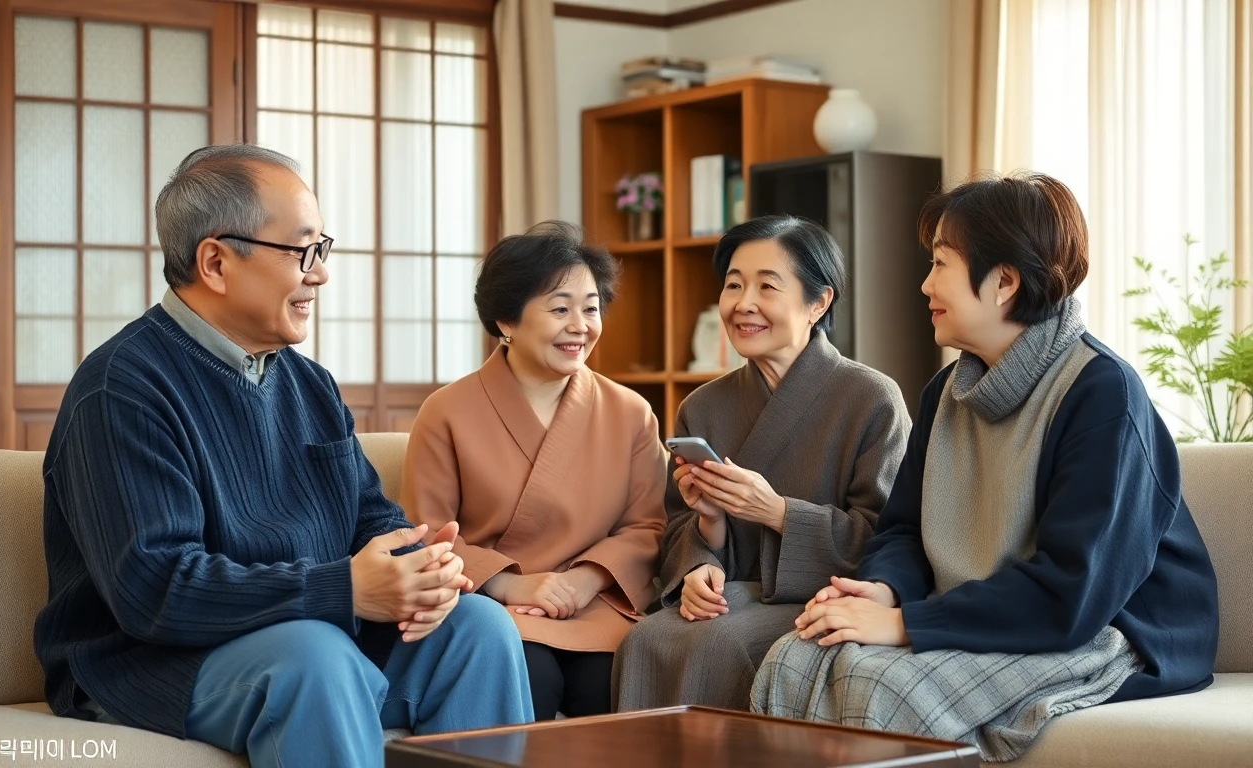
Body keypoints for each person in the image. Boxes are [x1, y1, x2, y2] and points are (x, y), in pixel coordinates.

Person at [32, 145, 533, 768]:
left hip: (309, 629)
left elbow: (368, 516)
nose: (319, 273)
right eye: (302, 252)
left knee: (479, 630)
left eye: (322, 249)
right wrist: (344, 589)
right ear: (216, 261)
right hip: (152, 661)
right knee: (314, 661)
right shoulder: (122, 389)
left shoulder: (309, 383)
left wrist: (419, 568)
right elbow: (153, 590)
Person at [751, 173, 1219, 762]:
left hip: (1111, 629)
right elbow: (903, 530)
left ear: (1003, 283)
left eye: (941, 264)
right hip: (996, 610)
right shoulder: (946, 390)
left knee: (881, 689)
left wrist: (905, 625)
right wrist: (885, 589)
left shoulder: (1102, 392)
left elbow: (1074, 591)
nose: (924, 285)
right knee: (796, 656)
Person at [612, 215, 910, 711]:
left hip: (819, 599)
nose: (742, 303)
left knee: (720, 646)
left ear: (819, 302)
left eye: (767, 286)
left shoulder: (871, 399)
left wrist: (774, 511)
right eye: (733, 285)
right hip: (731, 595)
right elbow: (677, 526)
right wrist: (703, 554)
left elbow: (885, 538)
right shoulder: (703, 406)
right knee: (647, 639)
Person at [401, 221, 666, 720]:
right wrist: (510, 585)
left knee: (611, 682)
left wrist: (585, 581)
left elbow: (648, 526)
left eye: (591, 308)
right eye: (560, 308)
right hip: (492, 607)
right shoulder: (446, 411)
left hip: (594, 603)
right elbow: (424, 535)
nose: (580, 325)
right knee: (530, 678)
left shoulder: (631, 412)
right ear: (506, 319)